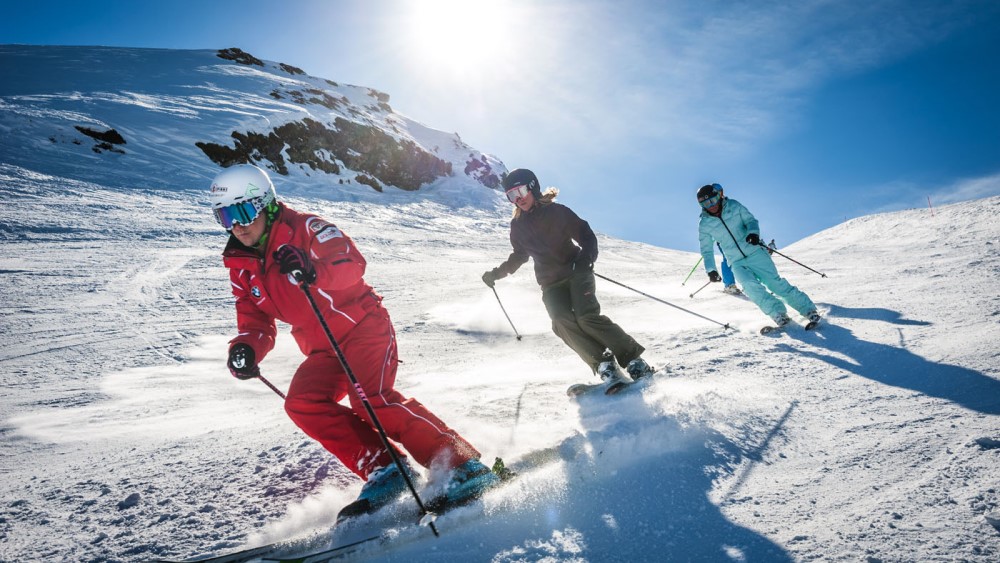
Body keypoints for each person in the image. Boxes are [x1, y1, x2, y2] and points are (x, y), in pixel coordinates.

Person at [209, 164, 498, 513]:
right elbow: (254, 316)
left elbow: (351, 264)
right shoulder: (240, 264)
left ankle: (463, 465)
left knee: (371, 400)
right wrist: (246, 347)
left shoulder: (305, 229)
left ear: (266, 203)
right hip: (322, 348)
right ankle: (387, 470)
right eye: (225, 217)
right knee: (302, 402)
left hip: (364, 328)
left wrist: (313, 270)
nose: (236, 226)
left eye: (242, 211)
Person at [481, 168, 656, 392]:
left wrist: (586, 258)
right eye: (511, 196)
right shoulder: (518, 226)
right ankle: (605, 365)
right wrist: (496, 273)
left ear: (533, 187)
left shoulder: (557, 212)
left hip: (576, 271)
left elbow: (585, 234)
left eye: (521, 191)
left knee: (586, 317)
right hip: (550, 283)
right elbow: (519, 255)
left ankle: (634, 361)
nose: (518, 199)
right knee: (561, 321)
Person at [697, 182, 820, 328]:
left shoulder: (734, 206)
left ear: (718, 196)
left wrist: (753, 233)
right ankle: (778, 313)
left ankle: (808, 310)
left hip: (755, 252)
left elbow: (751, 221)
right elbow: (706, 249)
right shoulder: (704, 224)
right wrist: (710, 269)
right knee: (750, 288)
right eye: (705, 204)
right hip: (736, 261)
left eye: (712, 200)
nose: (710, 205)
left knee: (775, 284)